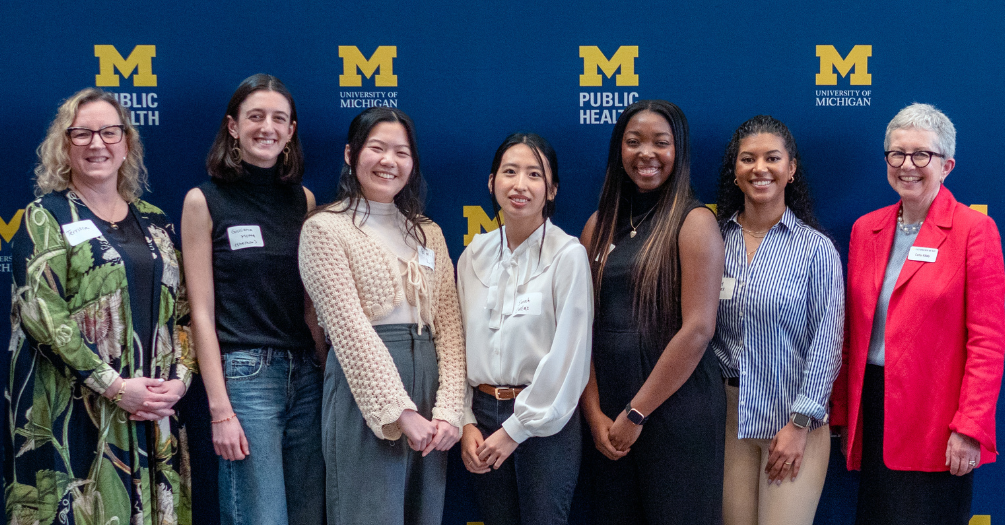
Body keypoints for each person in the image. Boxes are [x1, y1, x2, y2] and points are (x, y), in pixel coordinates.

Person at [5, 88, 192, 524]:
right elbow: (40, 311)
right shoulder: (45, 217)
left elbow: (182, 312)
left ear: (126, 143)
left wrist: (180, 381)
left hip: (153, 407)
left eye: (109, 132)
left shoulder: (156, 221)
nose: (97, 144)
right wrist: (113, 386)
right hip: (74, 410)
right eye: (82, 134)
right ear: (64, 146)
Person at [832, 103, 1005, 524]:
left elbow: (988, 341)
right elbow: (850, 332)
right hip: (872, 409)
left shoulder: (973, 231)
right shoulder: (865, 229)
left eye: (921, 154)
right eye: (897, 153)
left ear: (946, 165)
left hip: (937, 418)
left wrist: (970, 427)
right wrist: (841, 412)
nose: (907, 165)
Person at [298, 107, 466, 525]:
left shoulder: (430, 232)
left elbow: (449, 325)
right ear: (351, 154)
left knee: (422, 513)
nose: (389, 161)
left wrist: (449, 410)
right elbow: (349, 331)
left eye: (402, 152)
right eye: (377, 148)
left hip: (429, 380)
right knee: (367, 512)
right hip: (364, 385)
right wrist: (399, 412)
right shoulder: (325, 229)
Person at [180, 74, 324, 525]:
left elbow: (307, 304)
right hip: (246, 378)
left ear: (291, 131)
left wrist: (323, 364)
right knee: (260, 517)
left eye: (279, 118)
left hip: (306, 379)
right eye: (255, 116)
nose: (268, 127)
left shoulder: (304, 200)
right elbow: (200, 313)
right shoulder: (203, 201)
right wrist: (220, 408)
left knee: (306, 514)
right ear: (233, 126)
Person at [579, 99, 726, 524]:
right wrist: (594, 412)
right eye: (633, 142)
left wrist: (636, 412)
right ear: (618, 150)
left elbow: (698, 329)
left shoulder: (694, 221)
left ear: (678, 152)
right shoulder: (598, 224)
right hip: (608, 414)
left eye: (660, 143)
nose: (646, 153)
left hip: (675, 410)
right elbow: (583, 327)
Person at [710, 115, 844, 525]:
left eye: (772, 158)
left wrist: (800, 423)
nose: (760, 168)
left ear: (791, 169)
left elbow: (828, 341)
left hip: (792, 418)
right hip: (728, 417)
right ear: (735, 171)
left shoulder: (815, 249)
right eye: (747, 159)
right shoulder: (712, 241)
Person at [457, 133, 593, 524]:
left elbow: (570, 356)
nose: (520, 185)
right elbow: (458, 344)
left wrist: (516, 429)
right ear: (491, 182)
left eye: (535, 175)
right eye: (510, 172)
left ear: (551, 189)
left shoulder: (568, 255)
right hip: (482, 416)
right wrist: (466, 420)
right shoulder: (473, 256)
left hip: (544, 422)